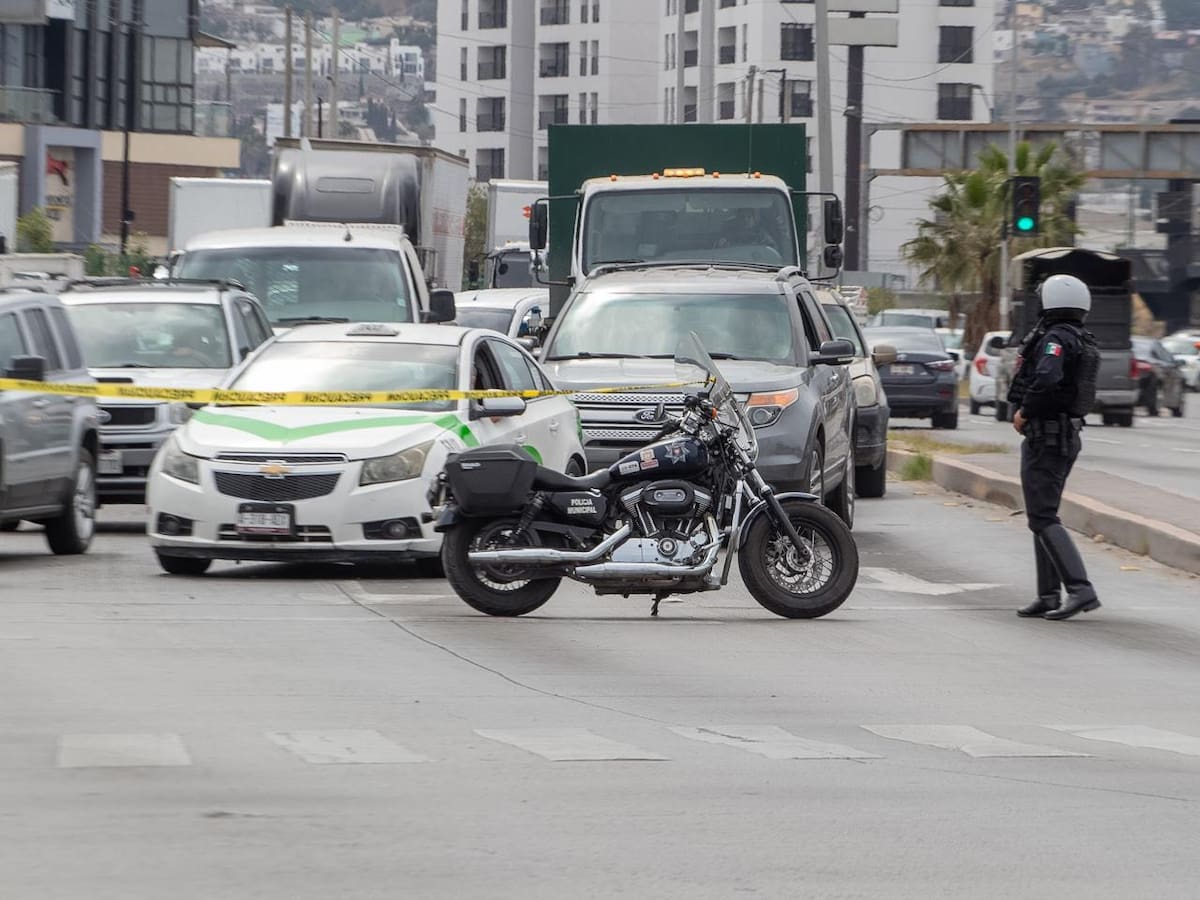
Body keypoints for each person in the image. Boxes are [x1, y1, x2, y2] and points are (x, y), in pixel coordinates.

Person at [1008, 273, 1102, 621]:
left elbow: (1047, 378)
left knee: (1043, 516)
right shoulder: (1079, 337)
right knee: (1040, 515)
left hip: (1047, 435)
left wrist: (1024, 411)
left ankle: (1080, 589)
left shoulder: (1055, 339)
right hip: (1062, 434)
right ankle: (1047, 595)